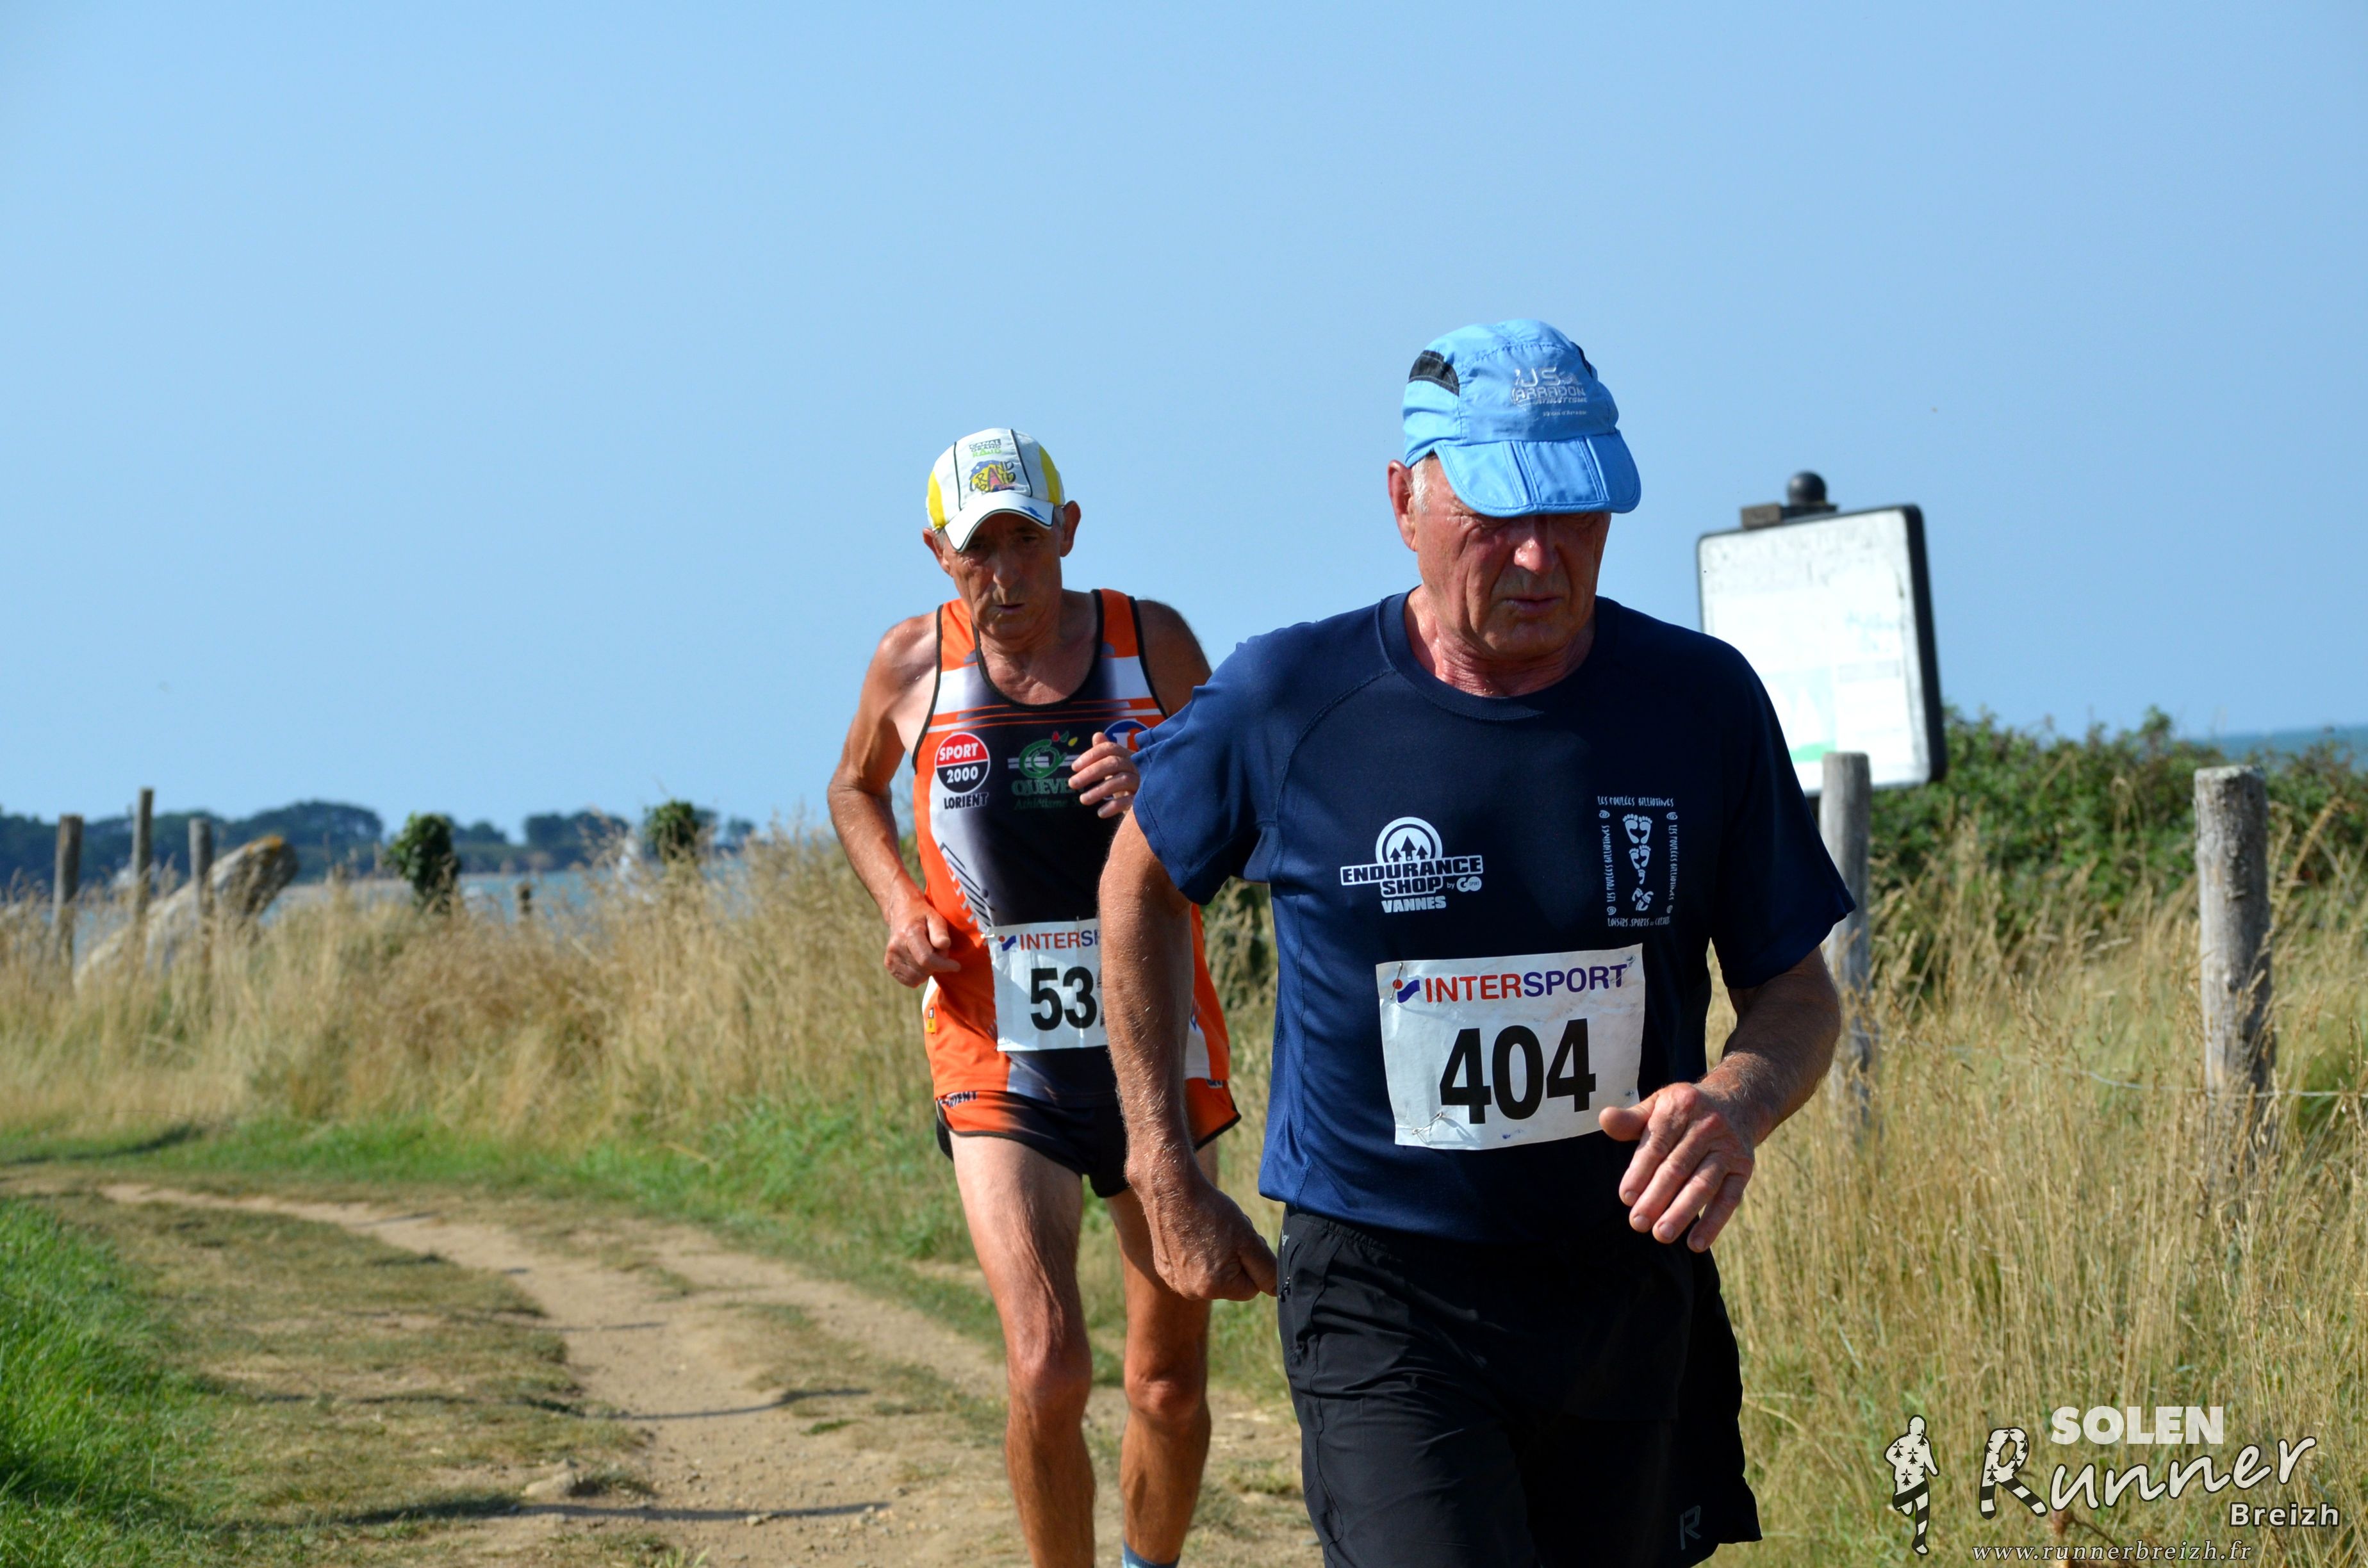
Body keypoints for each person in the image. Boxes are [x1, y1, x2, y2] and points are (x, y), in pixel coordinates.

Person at [1097, 323, 1852, 1567]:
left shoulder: (1700, 702)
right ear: (1405, 500)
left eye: (1577, 514)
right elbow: (1137, 885)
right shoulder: (1290, 699)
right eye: (1499, 517)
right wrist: (1162, 1166)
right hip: (1384, 1292)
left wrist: (1737, 1101)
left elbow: (1796, 994)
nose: (1542, 557)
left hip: (1623, 1283)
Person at [826, 427, 1239, 1568]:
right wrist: (900, 905)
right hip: (993, 1046)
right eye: (978, 550)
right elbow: (854, 789)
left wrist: (1164, 781)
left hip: (1159, 1039)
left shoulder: (1150, 642)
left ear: (1068, 532)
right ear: (938, 553)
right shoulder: (912, 662)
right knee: (1048, 1369)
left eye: (1025, 542)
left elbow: (1242, 798)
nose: (1005, 575)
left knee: (1166, 1385)